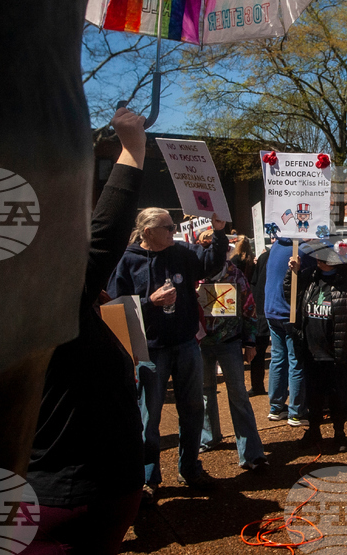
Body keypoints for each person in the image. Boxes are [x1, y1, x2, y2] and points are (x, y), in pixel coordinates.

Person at [25, 108, 148, 554]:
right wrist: (133, 148)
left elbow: (101, 237)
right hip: (56, 499)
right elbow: (106, 233)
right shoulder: (45, 297)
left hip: (94, 492)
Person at [107, 206, 229, 491]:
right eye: (168, 228)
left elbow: (210, 264)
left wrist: (220, 233)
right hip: (150, 351)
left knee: (193, 409)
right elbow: (114, 307)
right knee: (149, 418)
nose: (174, 231)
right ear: (148, 232)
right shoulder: (127, 261)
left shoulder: (181, 253)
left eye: (174, 226)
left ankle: (190, 469)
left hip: (186, 343)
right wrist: (151, 302)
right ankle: (149, 479)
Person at [286, 241, 347, 453]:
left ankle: (339, 433)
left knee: (338, 395)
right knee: (313, 394)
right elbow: (290, 296)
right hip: (311, 348)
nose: (320, 260)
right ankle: (314, 431)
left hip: (337, 350)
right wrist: (291, 274)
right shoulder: (309, 275)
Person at [198, 259, 267, 471]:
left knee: (238, 395)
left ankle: (251, 453)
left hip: (230, 342)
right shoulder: (193, 272)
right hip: (199, 343)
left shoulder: (235, 274)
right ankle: (208, 437)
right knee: (205, 391)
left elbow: (249, 307)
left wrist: (249, 341)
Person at [264, 234, 314, 426]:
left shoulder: (276, 245)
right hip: (289, 312)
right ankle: (296, 411)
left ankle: (276, 407)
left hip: (272, 310)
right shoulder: (301, 249)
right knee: (296, 360)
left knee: (278, 358)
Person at [248, 245, 271, 396]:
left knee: (259, 352)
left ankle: (257, 386)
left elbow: (254, 282)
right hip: (270, 310)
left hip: (261, 311)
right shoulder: (266, 257)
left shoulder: (264, 258)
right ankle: (258, 387)